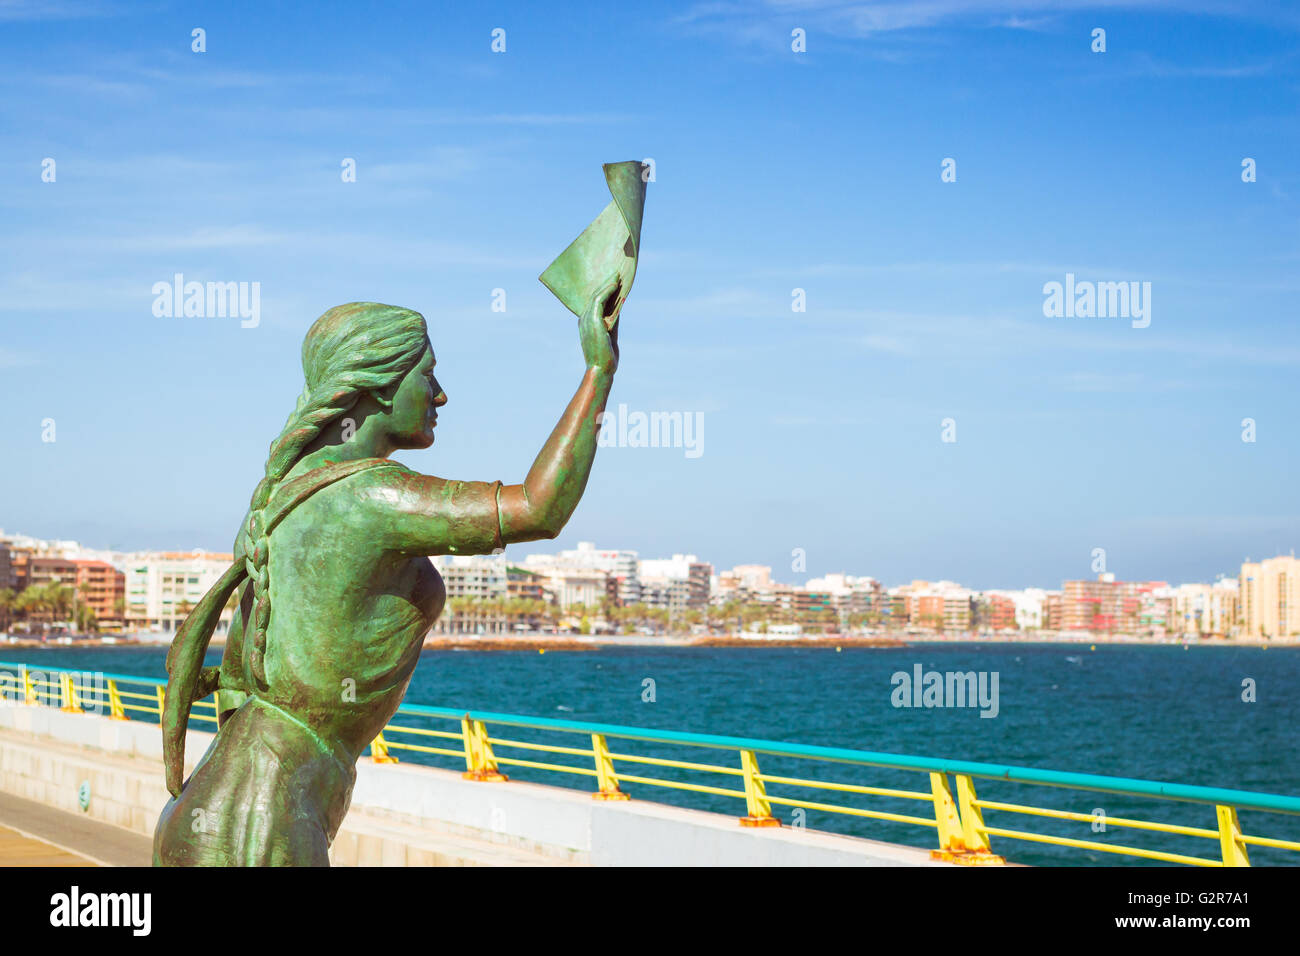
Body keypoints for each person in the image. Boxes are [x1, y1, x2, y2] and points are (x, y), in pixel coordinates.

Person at [154, 279, 620, 865]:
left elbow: (247, 673)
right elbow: (537, 508)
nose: (441, 395)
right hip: (263, 816)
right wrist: (597, 373)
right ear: (377, 382)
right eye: (427, 375)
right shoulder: (372, 497)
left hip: (224, 798)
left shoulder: (284, 496)